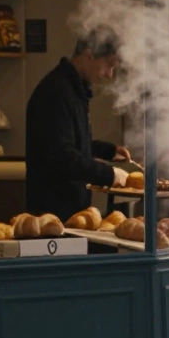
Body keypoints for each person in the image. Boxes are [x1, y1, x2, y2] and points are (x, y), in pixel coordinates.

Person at [25, 31, 131, 221]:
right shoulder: (57, 91)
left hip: (67, 208)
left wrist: (107, 150)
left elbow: (71, 143)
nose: (109, 74)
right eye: (108, 65)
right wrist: (108, 174)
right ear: (89, 54)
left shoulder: (73, 88)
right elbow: (62, 156)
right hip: (53, 212)